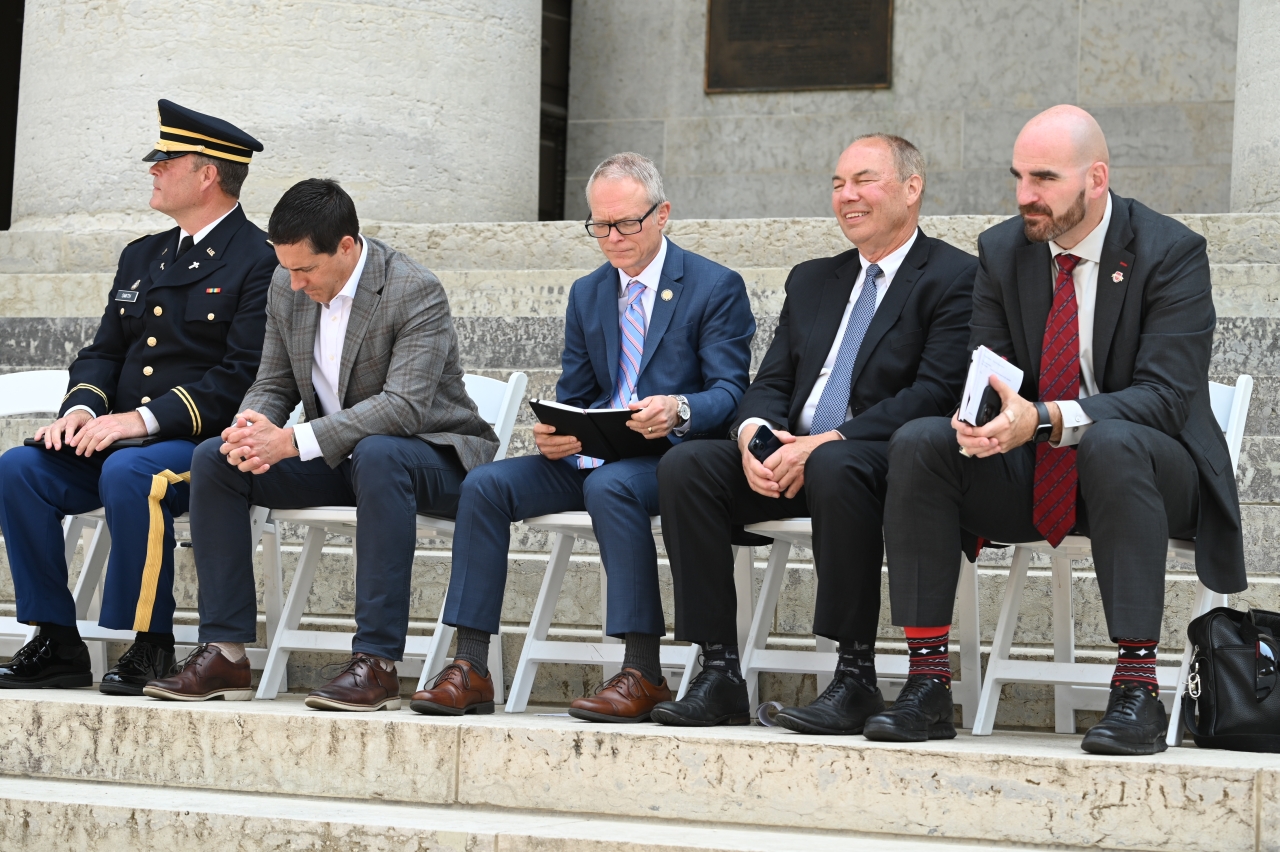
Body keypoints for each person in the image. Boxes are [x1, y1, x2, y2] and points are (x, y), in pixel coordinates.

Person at [867, 106, 1245, 755]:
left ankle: (1137, 692)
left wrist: (1044, 417)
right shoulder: (1002, 250)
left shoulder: (1171, 252)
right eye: (1017, 176)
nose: (1024, 196)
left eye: (1043, 178)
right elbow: (990, 372)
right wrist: (982, 422)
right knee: (922, 443)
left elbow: (1164, 397)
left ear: (1095, 179)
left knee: (1111, 438)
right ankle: (927, 685)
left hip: (1157, 470)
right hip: (1038, 468)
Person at [411, 152, 755, 721]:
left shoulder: (714, 286)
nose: (612, 237)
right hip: (595, 450)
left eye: (626, 223)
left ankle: (643, 670)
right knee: (487, 485)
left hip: (668, 457)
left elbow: (730, 392)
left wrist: (679, 408)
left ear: (662, 214)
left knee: (612, 487)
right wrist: (556, 431)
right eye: (600, 225)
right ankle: (471, 664)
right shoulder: (589, 292)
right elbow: (575, 392)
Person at [649, 135, 977, 731]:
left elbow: (934, 393)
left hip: (878, 461)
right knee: (687, 466)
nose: (847, 195)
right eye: (837, 183)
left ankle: (854, 677)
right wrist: (753, 436)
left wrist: (822, 444)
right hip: (795, 456)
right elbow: (771, 381)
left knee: (834, 466)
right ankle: (719, 672)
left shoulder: (955, 276)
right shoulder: (813, 280)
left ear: (912, 188)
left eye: (864, 181)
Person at [143, 178, 499, 710]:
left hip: (433, 457)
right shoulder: (287, 288)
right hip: (342, 458)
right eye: (286, 267)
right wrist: (252, 427)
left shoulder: (413, 289)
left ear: (348, 247)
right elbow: (273, 382)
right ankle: (226, 653)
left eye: (305, 269)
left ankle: (376, 663)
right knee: (216, 460)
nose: (293, 282)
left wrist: (294, 440)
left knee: (379, 452)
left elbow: (403, 407)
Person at [0, 100, 274, 694]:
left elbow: (239, 377)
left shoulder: (259, 259)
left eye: (166, 160)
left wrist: (140, 421)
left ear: (207, 174)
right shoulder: (142, 254)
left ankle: (149, 645)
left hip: (202, 448)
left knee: (130, 471)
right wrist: (81, 410)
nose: (153, 169)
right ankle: (56, 641)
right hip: (119, 436)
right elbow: (104, 352)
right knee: (20, 467)